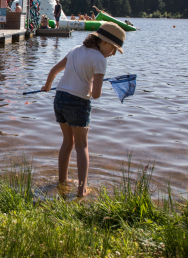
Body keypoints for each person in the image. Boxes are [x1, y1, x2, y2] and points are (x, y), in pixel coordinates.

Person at [41, 22, 126, 197]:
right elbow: (95, 95)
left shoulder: (76, 49)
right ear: (104, 42)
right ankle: (82, 189)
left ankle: (62, 181)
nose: (112, 54)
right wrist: (93, 83)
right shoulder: (100, 60)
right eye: (113, 49)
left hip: (60, 99)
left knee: (67, 142)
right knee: (82, 146)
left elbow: (54, 70)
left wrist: (48, 85)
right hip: (78, 103)